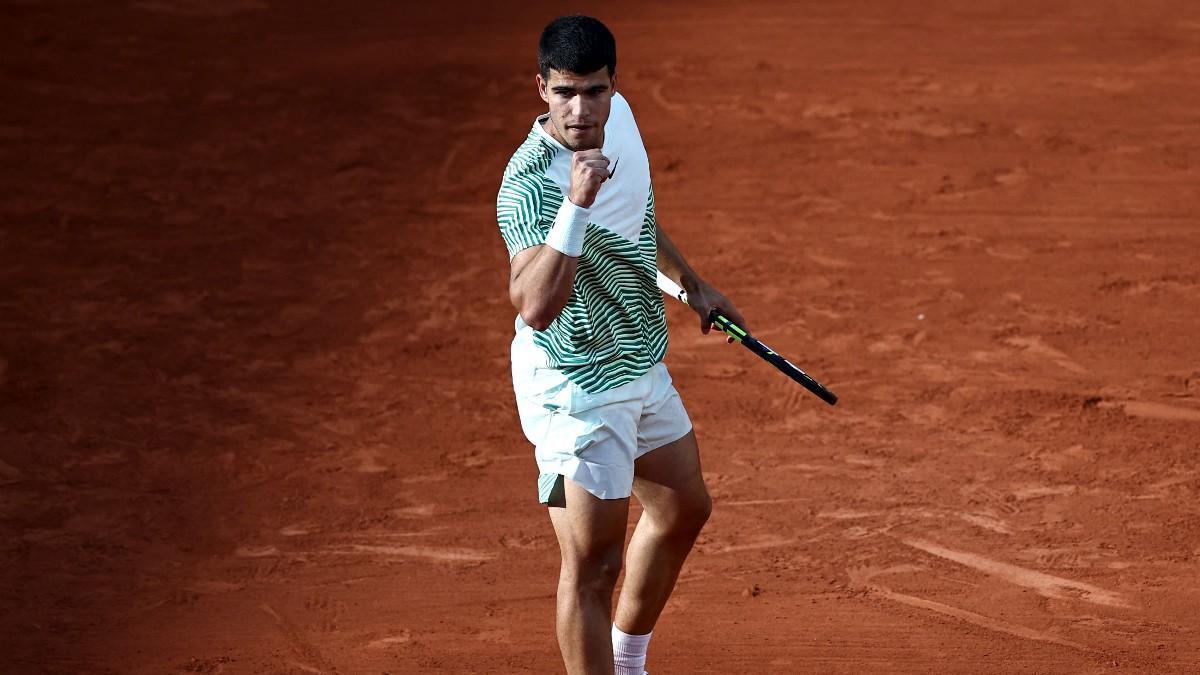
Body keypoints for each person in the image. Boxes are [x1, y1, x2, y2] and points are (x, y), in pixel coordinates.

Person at [495, 15, 748, 675]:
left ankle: (626, 663)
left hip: (636, 355)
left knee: (683, 506)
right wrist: (574, 203)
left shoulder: (623, 120)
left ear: (614, 86)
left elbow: (637, 210)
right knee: (592, 564)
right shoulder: (527, 186)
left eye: (596, 91)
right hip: (575, 381)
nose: (581, 109)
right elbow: (536, 306)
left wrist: (692, 283)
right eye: (565, 92)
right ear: (541, 90)